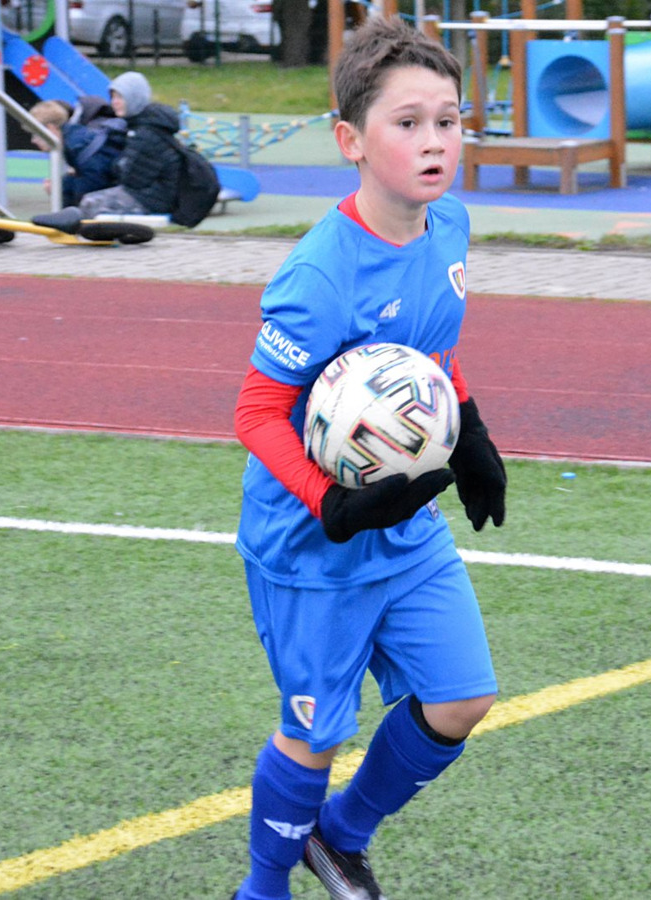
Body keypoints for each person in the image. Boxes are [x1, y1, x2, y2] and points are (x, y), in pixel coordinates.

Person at [229, 17, 507, 900]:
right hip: (313, 544)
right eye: (408, 123)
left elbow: (431, 354)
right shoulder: (319, 277)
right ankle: (261, 889)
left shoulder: (449, 224)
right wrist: (328, 501)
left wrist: (471, 433)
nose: (435, 142)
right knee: (315, 735)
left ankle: (339, 839)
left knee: (462, 698)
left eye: (449, 122)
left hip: (408, 522)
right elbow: (255, 411)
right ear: (350, 140)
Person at [34, 71, 183, 228]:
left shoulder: (144, 132)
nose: (114, 102)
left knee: (90, 203)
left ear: (134, 98)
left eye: (120, 98)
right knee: (79, 188)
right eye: (113, 97)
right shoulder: (136, 125)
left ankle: (76, 230)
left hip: (154, 197)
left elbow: (131, 178)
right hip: (147, 192)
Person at [27, 96, 127, 207]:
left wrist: (59, 190)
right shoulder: (78, 141)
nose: (33, 140)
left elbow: (90, 193)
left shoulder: (78, 148)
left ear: (50, 128)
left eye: (36, 134)